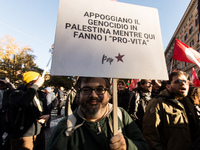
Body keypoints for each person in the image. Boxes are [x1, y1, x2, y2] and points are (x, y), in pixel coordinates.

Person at [46, 77, 149, 150]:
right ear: (78, 95)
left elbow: (144, 146)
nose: (93, 95)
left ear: (109, 94)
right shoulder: (65, 127)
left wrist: (127, 146)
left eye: (100, 89)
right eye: (86, 89)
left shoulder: (120, 115)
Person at [143, 71, 200, 150]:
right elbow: (150, 135)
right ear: (168, 86)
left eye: (185, 81)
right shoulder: (158, 103)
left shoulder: (189, 102)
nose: (183, 84)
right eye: (177, 82)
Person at [9, 71, 50, 150]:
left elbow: (45, 109)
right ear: (31, 81)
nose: (41, 80)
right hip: (23, 135)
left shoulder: (40, 94)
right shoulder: (16, 93)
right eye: (38, 79)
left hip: (39, 132)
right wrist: (35, 85)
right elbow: (23, 102)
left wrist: (47, 115)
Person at [0, 77, 15, 150]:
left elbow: (15, 93)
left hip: (7, 117)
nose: (1, 84)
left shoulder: (9, 92)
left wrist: (8, 85)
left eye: (3, 83)